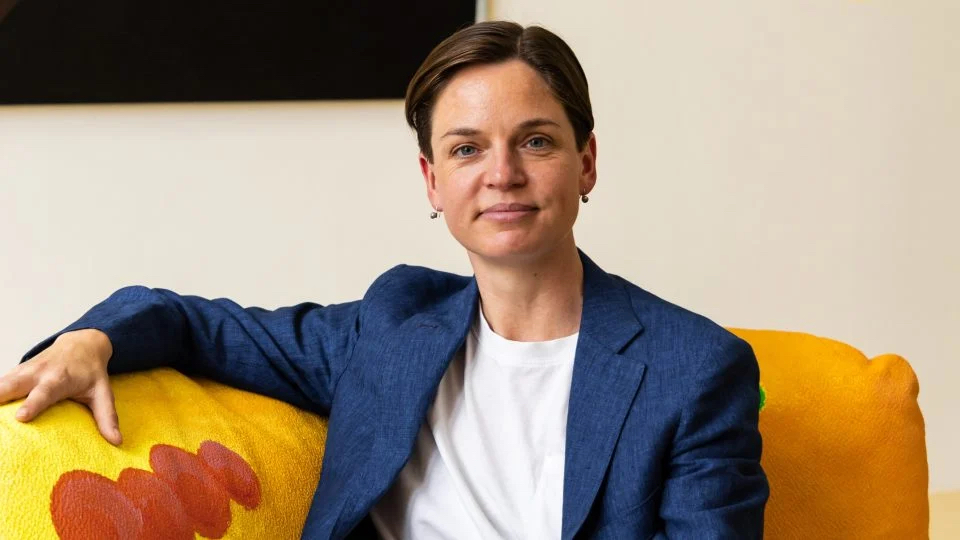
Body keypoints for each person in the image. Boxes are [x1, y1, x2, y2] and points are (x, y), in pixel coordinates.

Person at [2, 21, 768, 539]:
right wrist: (93, 339)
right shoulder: (392, 325)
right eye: (467, 149)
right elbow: (192, 322)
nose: (502, 174)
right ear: (433, 182)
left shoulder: (694, 370)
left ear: (586, 162)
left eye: (535, 141)